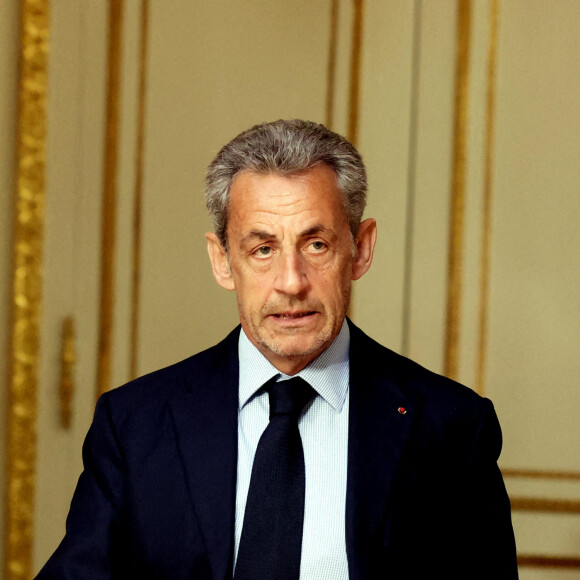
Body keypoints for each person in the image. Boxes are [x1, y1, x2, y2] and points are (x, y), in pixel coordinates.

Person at [37, 119, 518, 579]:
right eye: (262, 249)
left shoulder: (452, 428)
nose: (291, 282)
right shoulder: (134, 425)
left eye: (316, 245)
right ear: (223, 261)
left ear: (361, 248)